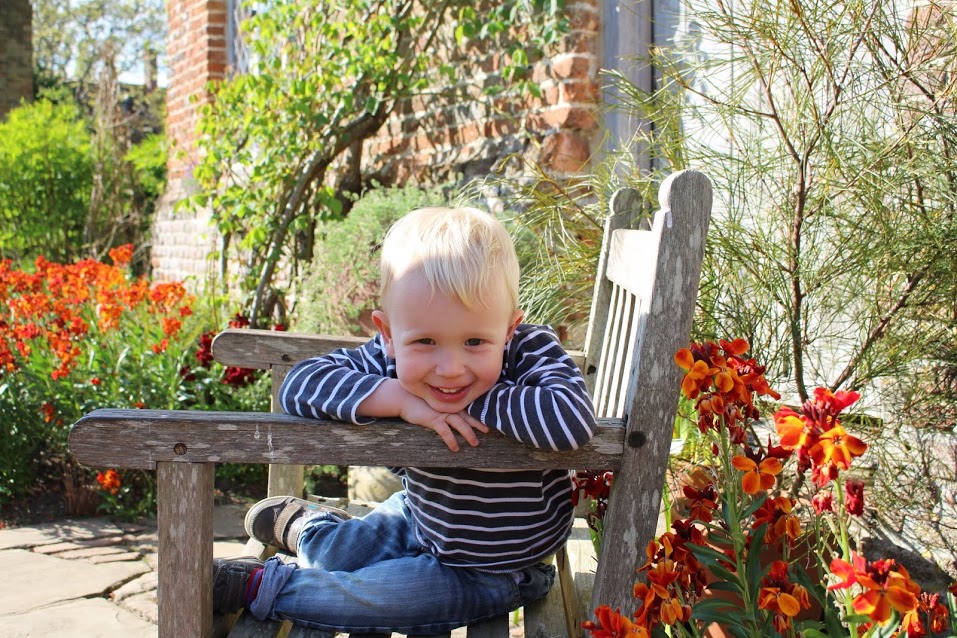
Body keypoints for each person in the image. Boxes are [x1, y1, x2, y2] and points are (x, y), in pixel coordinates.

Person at [212, 206, 597, 633]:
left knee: (382, 596)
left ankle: (261, 588)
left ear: (508, 330)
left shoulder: (529, 348)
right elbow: (297, 386)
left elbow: (571, 421)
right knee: (334, 558)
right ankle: (309, 529)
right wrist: (399, 397)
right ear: (388, 333)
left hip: (502, 567)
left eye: (475, 341)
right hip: (423, 517)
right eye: (426, 341)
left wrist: (466, 403)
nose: (450, 368)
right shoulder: (390, 355)